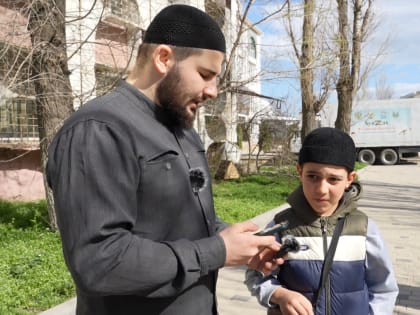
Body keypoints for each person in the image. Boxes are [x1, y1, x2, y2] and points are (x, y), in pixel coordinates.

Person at [46, 4, 282, 315]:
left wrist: (236, 240)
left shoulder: (182, 130)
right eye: (205, 74)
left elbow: (176, 224)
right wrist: (217, 251)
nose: (213, 91)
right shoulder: (100, 130)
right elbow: (100, 261)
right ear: (163, 58)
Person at [245, 127, 399, 315]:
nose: (321, 189)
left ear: (350, 179)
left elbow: (384, 288)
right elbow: (255, 275)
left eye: (333, 179)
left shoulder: (364, 228)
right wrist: (279, 294)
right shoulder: (280, 227)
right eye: (313, 177)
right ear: (300, 172)